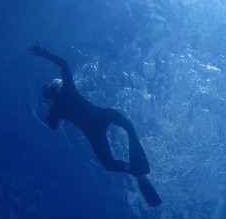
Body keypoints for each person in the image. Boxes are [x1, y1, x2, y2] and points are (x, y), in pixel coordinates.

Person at [30, 43, 161, 207]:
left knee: (110, 163)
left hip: (93, 129)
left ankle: (133, 170)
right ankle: (135, 169)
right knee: (126, 128)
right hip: (100, 117)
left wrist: (46, 116)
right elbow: (63, 64)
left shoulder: (56, 109)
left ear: (49, 96)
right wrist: (44, 53)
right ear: (55, 89)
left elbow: (52, 126)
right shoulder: (66, 91)